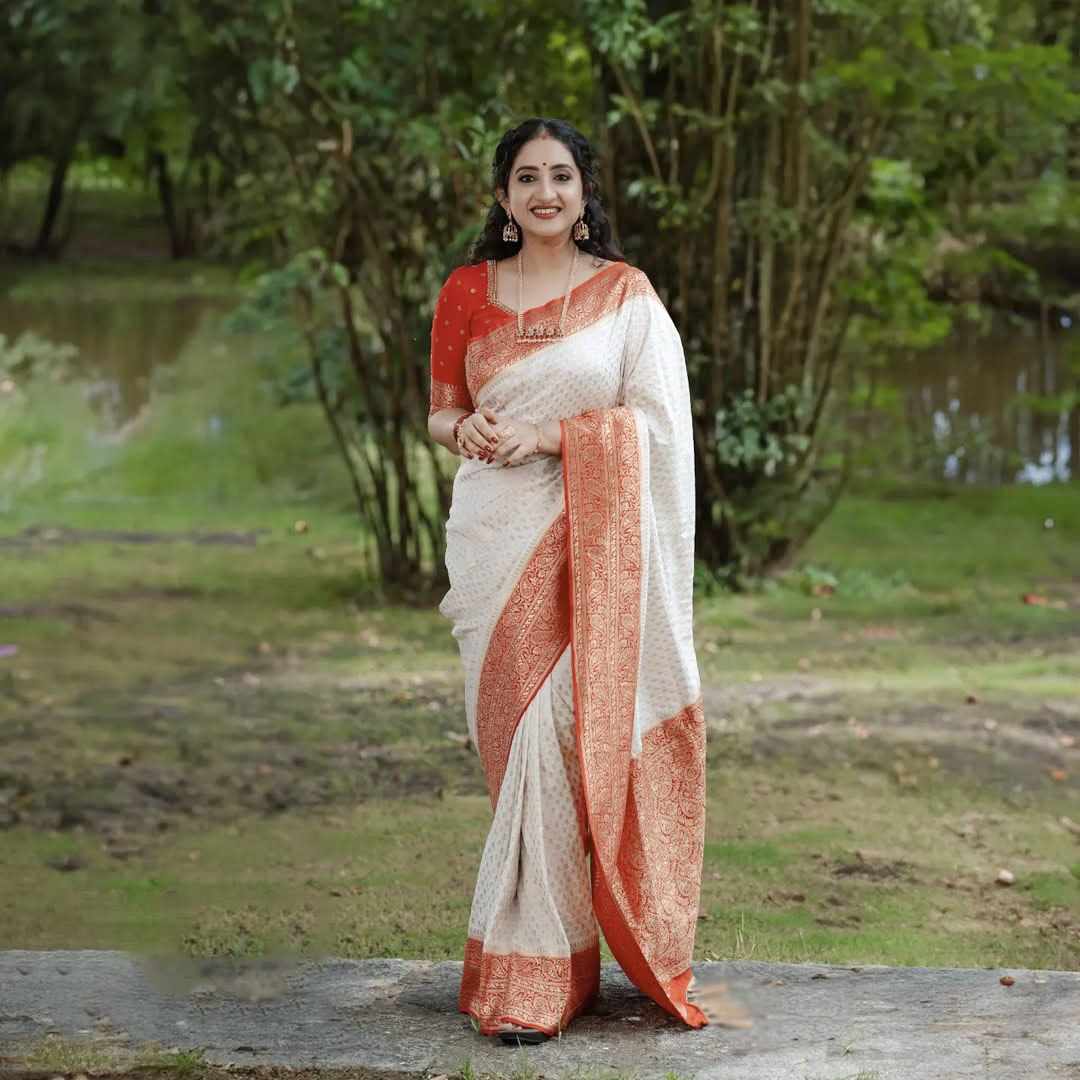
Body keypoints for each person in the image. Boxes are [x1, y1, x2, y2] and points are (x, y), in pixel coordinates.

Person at [426, 117, 708, 1046]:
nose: (544, 193)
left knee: (556, 735)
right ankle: (561, 959)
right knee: (514, 745)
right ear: (502, 197)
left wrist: (552, 436)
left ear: (584, 192)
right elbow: (441, 411)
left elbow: (656, 426)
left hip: (589, 538)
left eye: (560, 176)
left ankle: (534, 975)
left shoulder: (626, 297)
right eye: (526, 178)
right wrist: (465, 429)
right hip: (493, 539)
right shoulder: (465, 291)